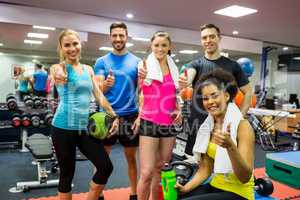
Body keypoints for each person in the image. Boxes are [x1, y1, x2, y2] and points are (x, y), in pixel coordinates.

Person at [50, 29, 119, 200]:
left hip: (84, 127)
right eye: (67, 45)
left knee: (105, 166)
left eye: (75, 43)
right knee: (67, 174)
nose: (72, 48)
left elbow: (98, 95)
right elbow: (56, 73)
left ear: (80, 44)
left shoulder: (88, 69)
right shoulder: (58, 68)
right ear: (61, 48)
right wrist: (59, 74)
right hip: (62, 128)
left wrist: (114, 115)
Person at [176, 69, 255, 200]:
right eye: (205, 98)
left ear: (226, 96)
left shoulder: (242, 126)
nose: (210, 102)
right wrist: (185, 189)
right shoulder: (207, 127)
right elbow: (206, 169)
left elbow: (245, 177)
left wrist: (230, 147)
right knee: (177, 197)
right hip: (216, 185)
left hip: (239, 193)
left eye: (214, 95)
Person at [178, 24, 253, 156]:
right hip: (198, 123)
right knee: (197, 164)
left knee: (223, 164)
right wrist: (185, 81)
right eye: (204, 38)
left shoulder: (232, 65)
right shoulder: (196, 64)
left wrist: (240, 116)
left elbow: (248, 91)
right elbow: (189, 76)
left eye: (212, 36)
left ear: (219, 38)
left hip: (223, 124)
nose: (208, 41)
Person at [94, 22, 140, 200]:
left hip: (129, 115)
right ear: (110, 37)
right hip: (106, 115)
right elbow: (98, 91)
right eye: (115, 35)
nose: (118, 39)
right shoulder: (101, 61)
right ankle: (98, 194)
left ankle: (134, 194)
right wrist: (104, 86)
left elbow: (142, 90)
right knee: (101, 160)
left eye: (121, 35)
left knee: (131, 158)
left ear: (126, 36)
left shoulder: (136, 62)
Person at [135, 31, 182, 200]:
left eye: (164, 45)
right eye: (156, 45)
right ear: (151, 46)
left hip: (168, 124)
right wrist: (140, 79)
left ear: (169, 47)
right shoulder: (144, 66)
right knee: (147, 172)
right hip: (150, 122)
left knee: (160, 168)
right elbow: (140, 92)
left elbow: (175, 95)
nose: (160, 49)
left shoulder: (173, 68)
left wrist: (179, 109)